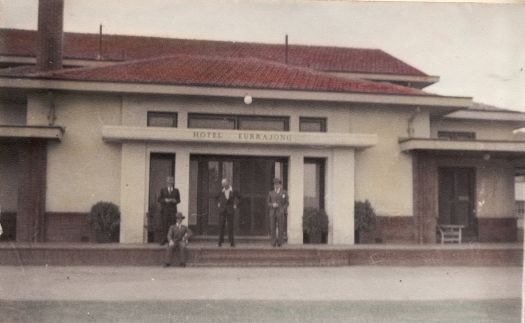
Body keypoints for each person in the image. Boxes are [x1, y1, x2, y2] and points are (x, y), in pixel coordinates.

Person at [216, 178, 240, 247]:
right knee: (221, 226)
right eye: (222, 184)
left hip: (230, 211)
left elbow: (240, 198)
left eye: (224, 183)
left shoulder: (234, 191)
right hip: (222, 211)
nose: (223, 185)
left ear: (228, 183)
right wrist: (218, 203)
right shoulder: (221, 191)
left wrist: (236, 204)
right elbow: (216, 197)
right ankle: (220, 242)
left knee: (230, 226)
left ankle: (232, 242)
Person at [158, 176, 180, 245]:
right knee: (164, 224)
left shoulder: (176, 190)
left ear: (173, 182)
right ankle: (164, 239)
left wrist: (174, 201)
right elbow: (159, 199)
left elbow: (179, 200)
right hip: (165, 210)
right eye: (168, 181)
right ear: (166, 182)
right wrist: (165, 200)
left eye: (171, 181)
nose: (170, 182)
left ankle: (172, 239)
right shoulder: (163, 190)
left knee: (173, 224)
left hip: (173, 210)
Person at [267, 178, 288, 247]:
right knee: (272, 227)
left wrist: (283, 209)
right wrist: (272, 205)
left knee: (280, 227)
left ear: (280, 185)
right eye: (275, 184)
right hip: (272, 212)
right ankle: (273, 242)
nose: (276, 185)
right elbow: (268, 202)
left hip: (280, 212)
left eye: (278, 184)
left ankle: (280, 242)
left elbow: (287, 203)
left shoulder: (284, 193)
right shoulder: (271, 193)